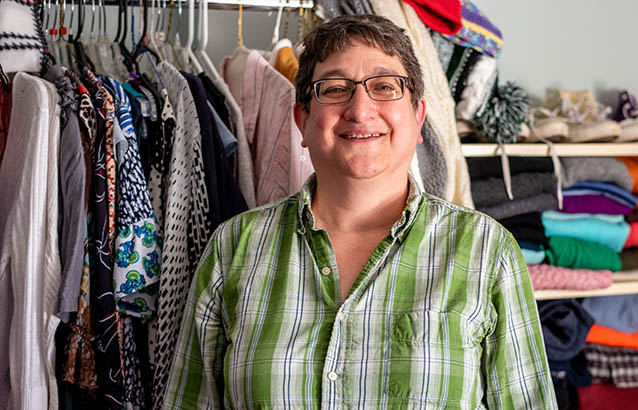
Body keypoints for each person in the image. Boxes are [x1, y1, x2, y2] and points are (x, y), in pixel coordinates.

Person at [162, 14, 556, 409]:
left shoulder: (487, 252)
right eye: (335, 89)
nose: (360, 108)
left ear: (418, 118)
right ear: (302, 120)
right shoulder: (234, 248)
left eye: (385, 87)